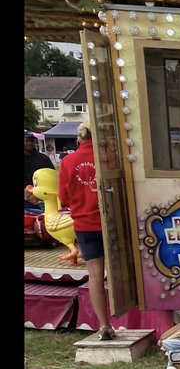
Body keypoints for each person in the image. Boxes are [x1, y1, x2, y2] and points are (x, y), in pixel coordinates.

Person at [58, 125, 115, 340]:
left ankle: (104, 325)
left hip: (85, 224)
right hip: (111, 221)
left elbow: (63, 198)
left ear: (79, 138)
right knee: (121, 272)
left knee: (95, 275)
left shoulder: (68, 161)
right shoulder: (107, 159)